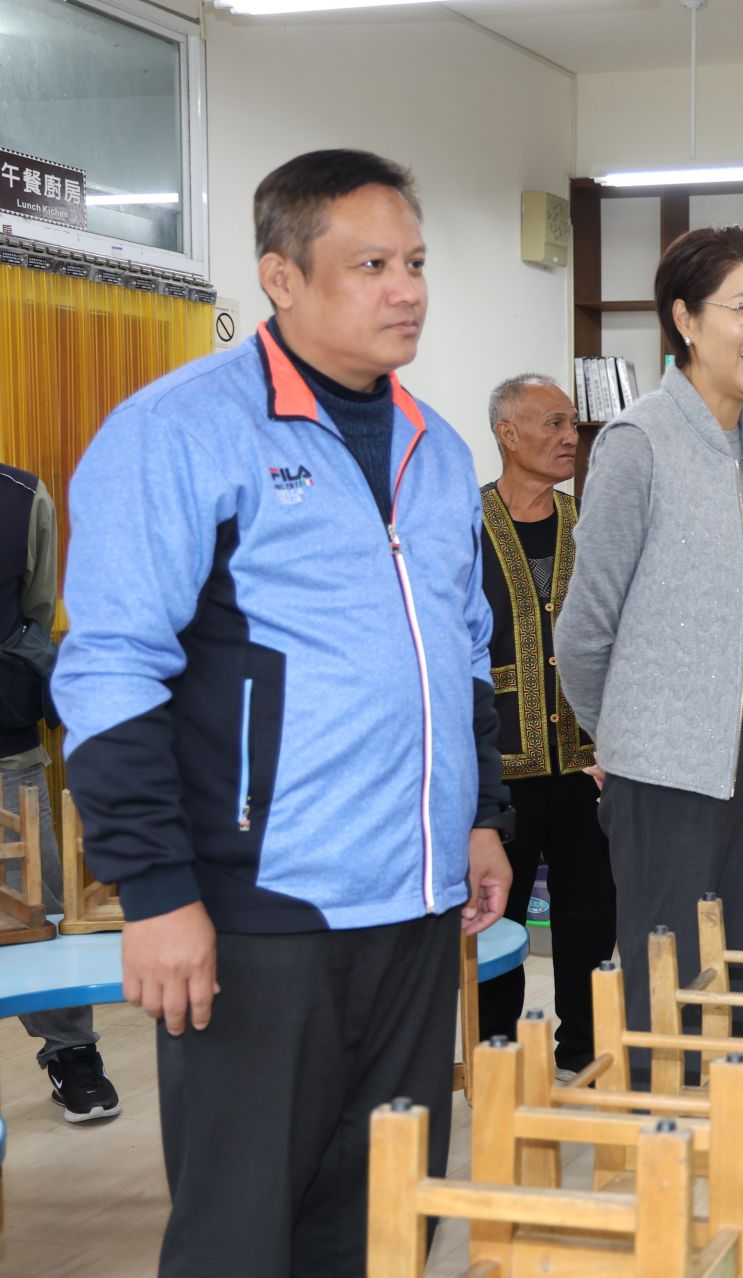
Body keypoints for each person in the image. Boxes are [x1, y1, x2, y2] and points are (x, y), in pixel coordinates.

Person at [53, 149, 513, 1274]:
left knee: (384, 1213)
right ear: (281, 276)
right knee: (241, 1225)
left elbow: (463, 653)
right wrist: (155, 891)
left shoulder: (438, 450)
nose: (407, 288)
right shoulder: (180, 431)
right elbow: (110, 669)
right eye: (370, 265)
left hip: (413, 905)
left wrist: (480, 811)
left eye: (413, 262)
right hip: (261, 906)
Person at [556, 225, 743, 1061]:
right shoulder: (639, 441)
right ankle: (665, 1145)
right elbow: (585, 625)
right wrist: (622, 737)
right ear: (686, 320)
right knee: (666, 966)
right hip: (663, 754)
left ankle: (738, 1138)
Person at [476, 373, 616, 1080]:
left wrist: (614, 745)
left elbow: (626, 637)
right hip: (495, 766)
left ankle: (584, 1047)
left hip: (587, 763)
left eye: (574, 427)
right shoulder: (462, 527)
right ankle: (494, 1050)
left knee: (591, 915)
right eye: (554, 424)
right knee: (494, 916)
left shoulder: (593, 525)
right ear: (508, 433)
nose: (570, 439)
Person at [2, 464, 119, 1122]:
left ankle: (73, 1054)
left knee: (36, 906)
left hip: (5, 744)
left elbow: (37, 613)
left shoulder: (23, 497)